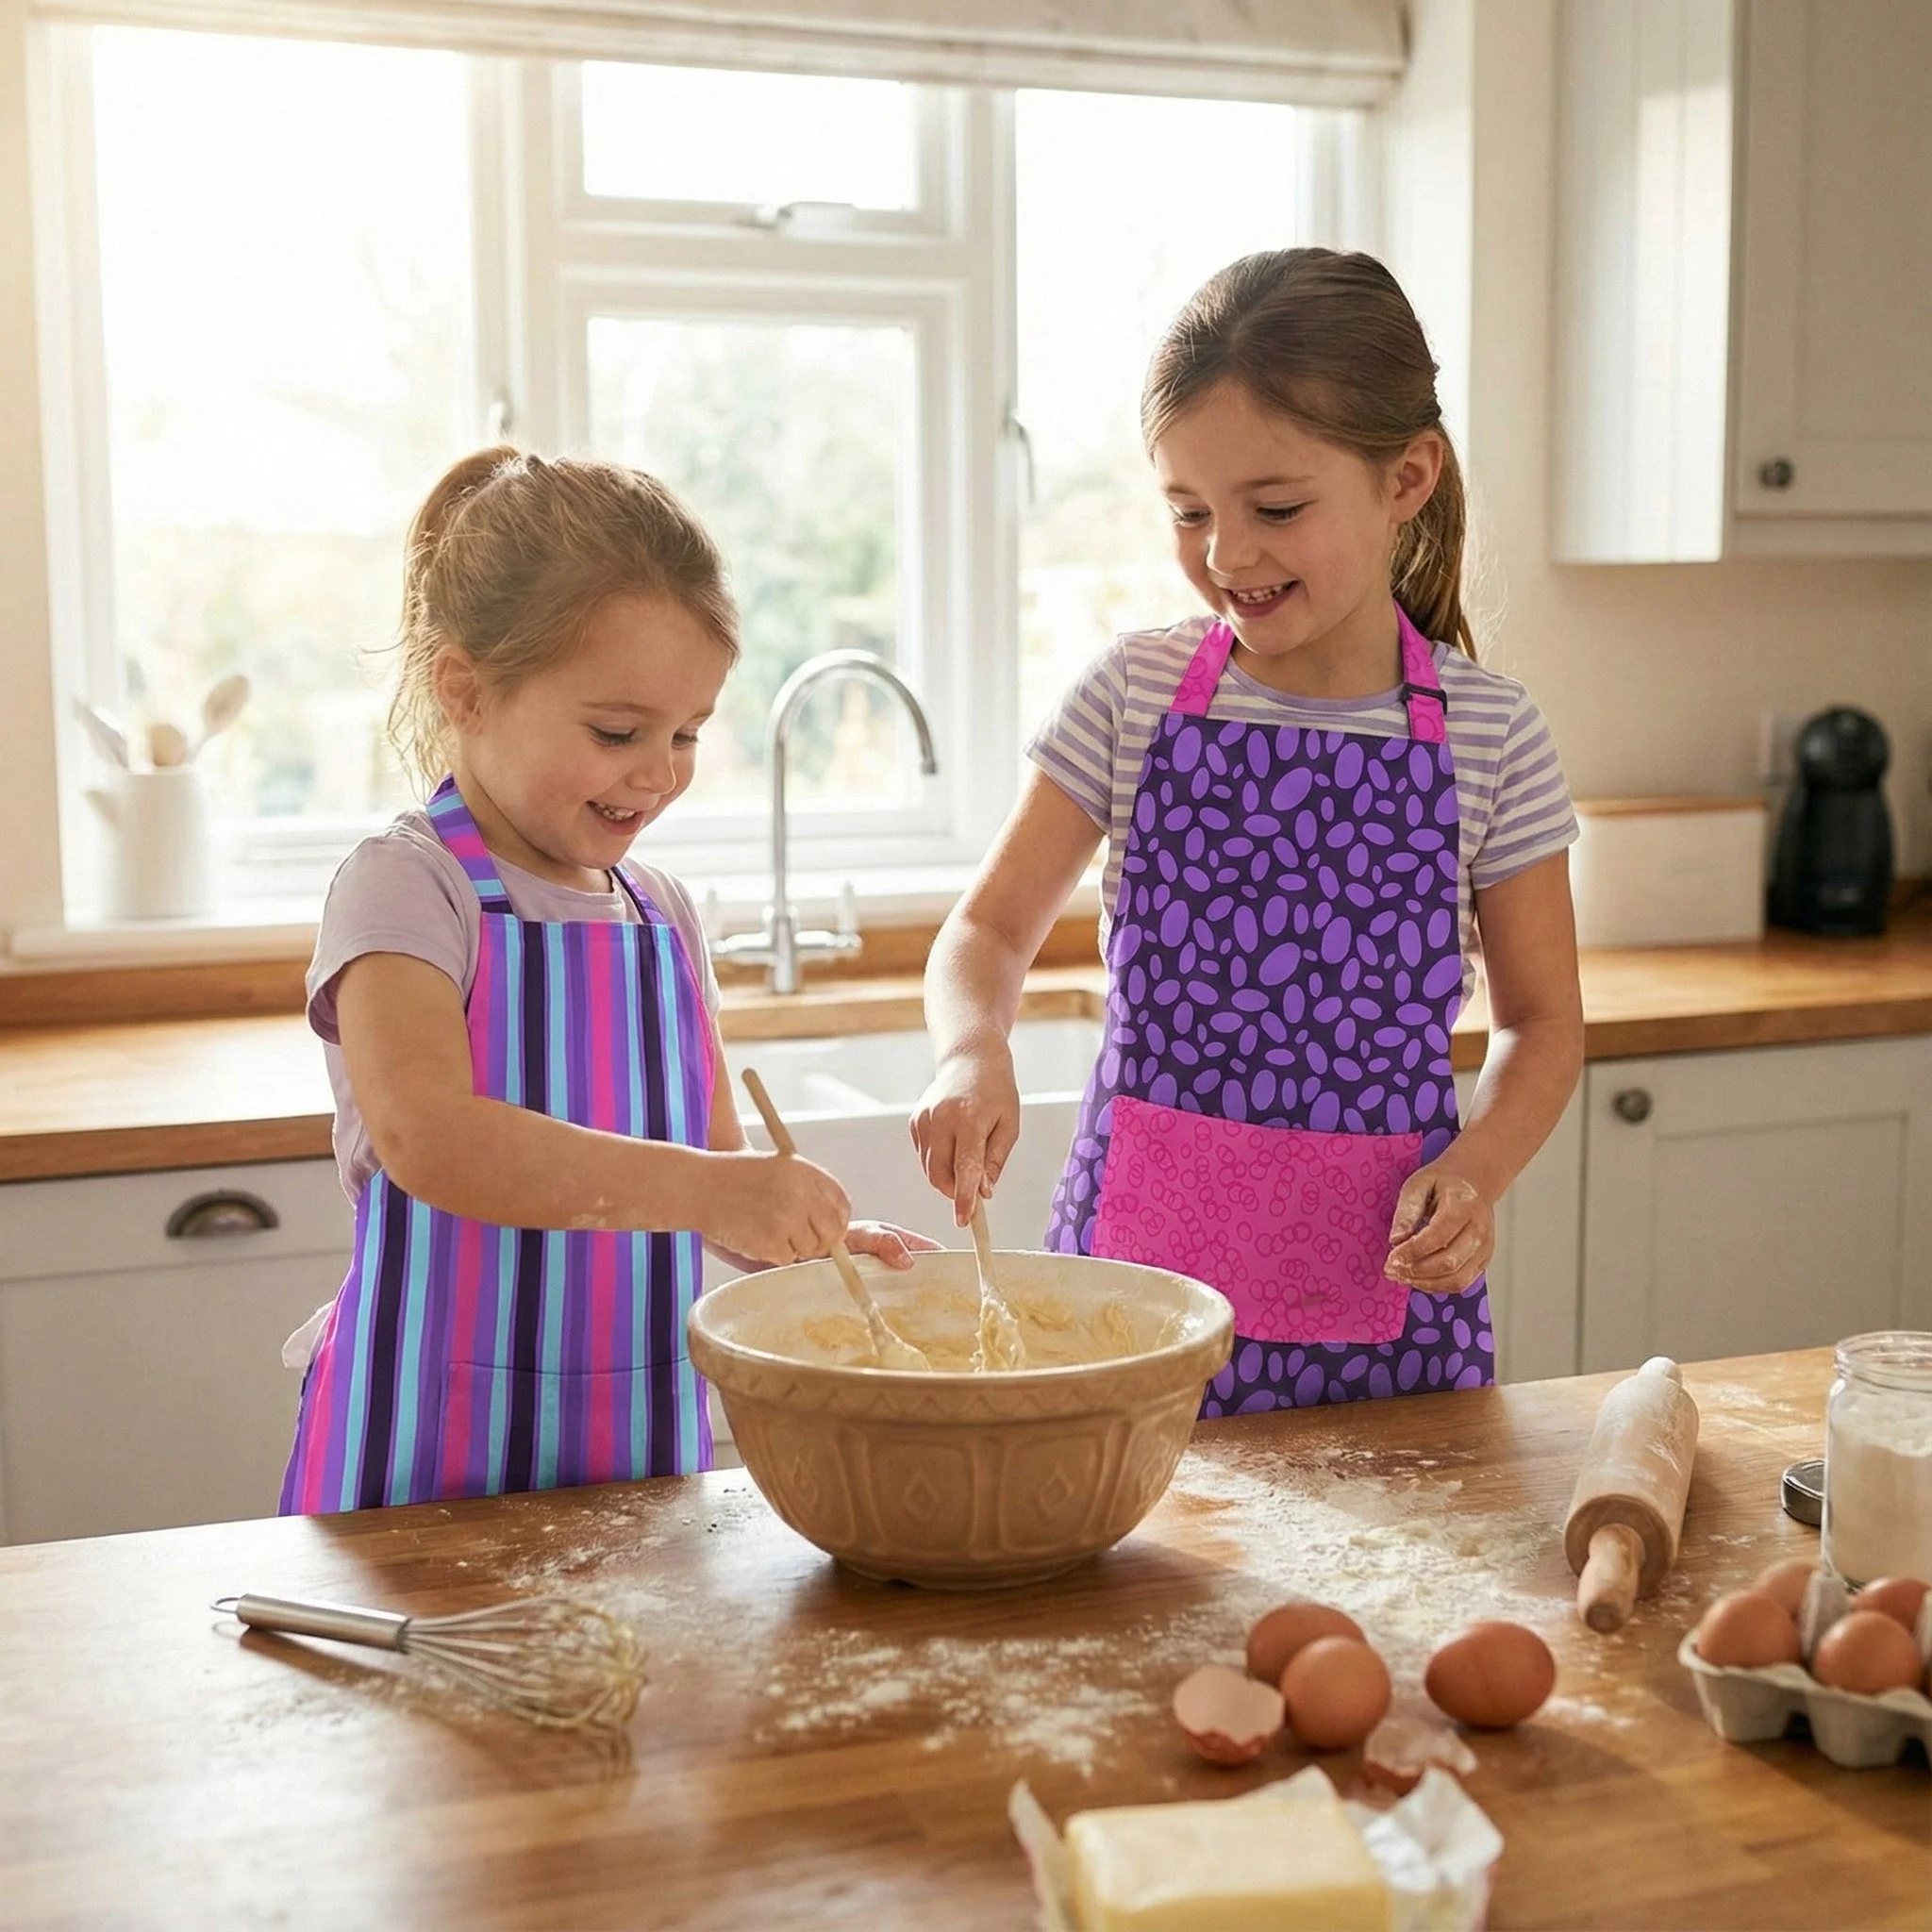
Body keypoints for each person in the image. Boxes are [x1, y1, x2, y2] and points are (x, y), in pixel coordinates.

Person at [912, 249, 1583, 1415]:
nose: (1225, 554)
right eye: (1188, 512)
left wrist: (1476, 1172)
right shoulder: (1132, 694)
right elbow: (988, 929)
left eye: (1275, 509)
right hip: (1134, 1296)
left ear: (1405, 477)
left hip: (1384, 1303)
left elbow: (1541, 1021)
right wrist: (971, 1049)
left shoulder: (1490, 733)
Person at [282, 447, 928, 1512]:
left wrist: (795, 1242)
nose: (660, 772)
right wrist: (716, 1188)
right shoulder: (408, 887)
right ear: (466, 689)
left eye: (687, 733)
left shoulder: (662, 914)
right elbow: (431, 1139)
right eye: (618, 732)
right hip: (424, 1460)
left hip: (635, 1453)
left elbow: (711, 1165)